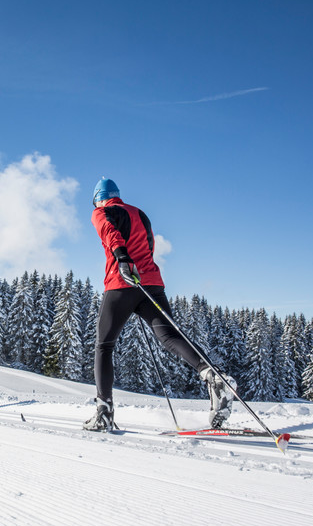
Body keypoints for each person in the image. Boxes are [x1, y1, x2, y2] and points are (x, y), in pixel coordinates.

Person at [83, 177, 235, 432]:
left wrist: (122, 258)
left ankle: (104, 412)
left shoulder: (101, 212)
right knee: (169, 336)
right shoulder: (140, 214)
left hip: (122, 283)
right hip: (151, 283)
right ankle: (212, 375)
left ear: (98, 198)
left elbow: (110, 234)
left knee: (104, 345)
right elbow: (151, 246)